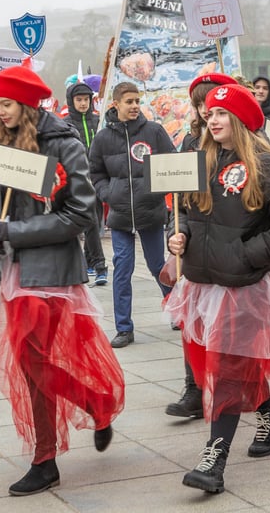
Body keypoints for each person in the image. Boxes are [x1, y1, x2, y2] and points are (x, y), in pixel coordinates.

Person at [0, 65, 125, 496]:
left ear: (26, 105)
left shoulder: (65, 145)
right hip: (16, 269)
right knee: (32, 366)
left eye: (7, 104)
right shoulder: (1, 142)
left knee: (34, 365)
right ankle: (95, 405)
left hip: (51, 271)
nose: (0, 111)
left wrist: (16, 233)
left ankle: (45, 458)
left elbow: (82, 214)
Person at [165, 84, 270, 494]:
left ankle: (214, 458)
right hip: (203, 282)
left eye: (222, 114)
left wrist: (247, 254)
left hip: (243, 286)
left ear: (242, 120)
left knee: (227, 372)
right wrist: (183, 237)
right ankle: (269, 417)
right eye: (210, 114)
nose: (212, 120)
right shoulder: (202, 160)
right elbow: (188, 214)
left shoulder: (266, 164)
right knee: (233, 365)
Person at [166, 72, 237, 421]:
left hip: (229, 249)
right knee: (190, 322)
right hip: (195, 248)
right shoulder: (189, 144)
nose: (205, 112)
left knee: (229, 330)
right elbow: (178, 201)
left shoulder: (242, 145)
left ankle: (245, 397)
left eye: (211, 105)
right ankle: (193, 387)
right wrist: (175, 233)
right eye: (199, 105)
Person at [89, 81, 176, 348]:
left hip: (150, 211)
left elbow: (172, 163)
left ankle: (177, 307)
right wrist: (109, 194)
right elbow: (96, 172)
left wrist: (160, 191)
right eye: (129, 102)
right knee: (122, 267)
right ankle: (124, 328)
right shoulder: (103, 138)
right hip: (120, 215)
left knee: (156, 265)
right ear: (116, 105)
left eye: (138, 101)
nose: (135, 106)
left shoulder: (154, 131)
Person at [65, 81, 108, 285]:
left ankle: (87, 261)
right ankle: (100, 266)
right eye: (79, 99)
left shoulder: (99, 121)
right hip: (78, 179)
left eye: (86, 99)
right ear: (71, 101)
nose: (83, 103)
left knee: (96, 221)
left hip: (99, 177)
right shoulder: (66, 124)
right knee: (90, 221)